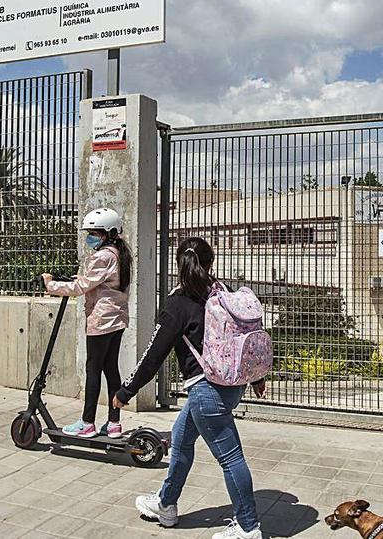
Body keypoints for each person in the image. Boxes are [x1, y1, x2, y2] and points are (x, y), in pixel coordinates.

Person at [113, 237, 267, 539]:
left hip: (206, 391)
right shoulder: (221, 292)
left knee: (231, 458)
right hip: (231, 385)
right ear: (210, 263)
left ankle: (248, 528)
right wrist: (257, 378)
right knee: (182, 441)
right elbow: (244, 337)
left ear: (178, 265)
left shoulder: (178, 302)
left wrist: (126, 390)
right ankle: (165, 505)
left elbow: (154, 353)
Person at [42, 208, 132, 439]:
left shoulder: (102, 256)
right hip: (117, 319)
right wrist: (80, 279)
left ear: (108, 233)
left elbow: (82, 287)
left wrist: (51, 285)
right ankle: (114, 423)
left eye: (94, 233)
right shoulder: (120, 253)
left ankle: (87, 423)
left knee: (93, 369)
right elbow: (100, 283)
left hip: (102, 320)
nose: (90, 237)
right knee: (111, 369)